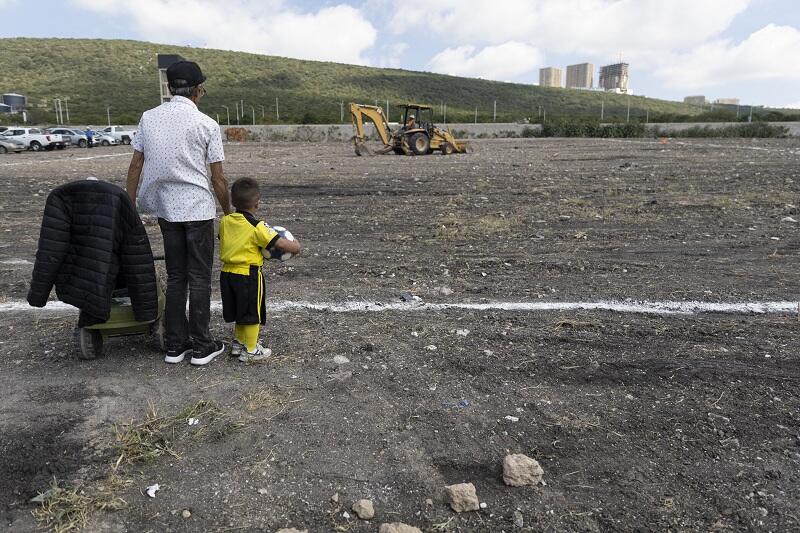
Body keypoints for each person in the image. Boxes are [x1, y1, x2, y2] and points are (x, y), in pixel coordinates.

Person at [126, 60, 232, 366]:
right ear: (198, 90)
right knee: (199, 278)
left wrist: (129, 205)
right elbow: (218, 178)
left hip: (166, 210)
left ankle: (174, 345)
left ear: (170, 88)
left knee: (176, 277)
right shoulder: (207, 124)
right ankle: (201, 345)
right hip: (197, 209)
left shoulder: (149, 118)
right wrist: (229, 212)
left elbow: (136, 165)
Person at [219, 178, 301, 362]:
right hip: (248, 274)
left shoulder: (225, 221)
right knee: (251, 313)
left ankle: (238, 343)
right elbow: (279, 242)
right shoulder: (258, 227)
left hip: (227, 274)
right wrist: (296, 247)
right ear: (257, 204)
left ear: (233, 202)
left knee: (239, 310)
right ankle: (250, 350)